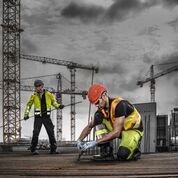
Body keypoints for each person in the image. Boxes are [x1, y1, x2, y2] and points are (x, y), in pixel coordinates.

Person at [77, 83, 143, 161]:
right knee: (98, 118)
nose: (97, 105)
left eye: (98, 102)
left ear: (104, 95)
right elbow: (90, 126)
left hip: (132, 130)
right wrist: (79, 140)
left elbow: (116, 132)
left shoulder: (119, 105)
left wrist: (95, 142)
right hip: (119, 128)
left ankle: (135, 150)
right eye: (95, 104)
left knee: (123, 155)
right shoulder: (101, 112)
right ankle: (106, 152)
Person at [23, 79, 64, 155]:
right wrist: (26, 114)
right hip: (38, 118)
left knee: (51, 132)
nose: (38, 88)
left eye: (39, 86)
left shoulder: (49, 94)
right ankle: (33, 149)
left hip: (46, 117)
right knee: (35, 133)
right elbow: (28, 105)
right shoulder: (33, 96)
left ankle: (53, 149)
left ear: (42, 86)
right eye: (36, 87)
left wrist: (59, 106)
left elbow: (54, 103)